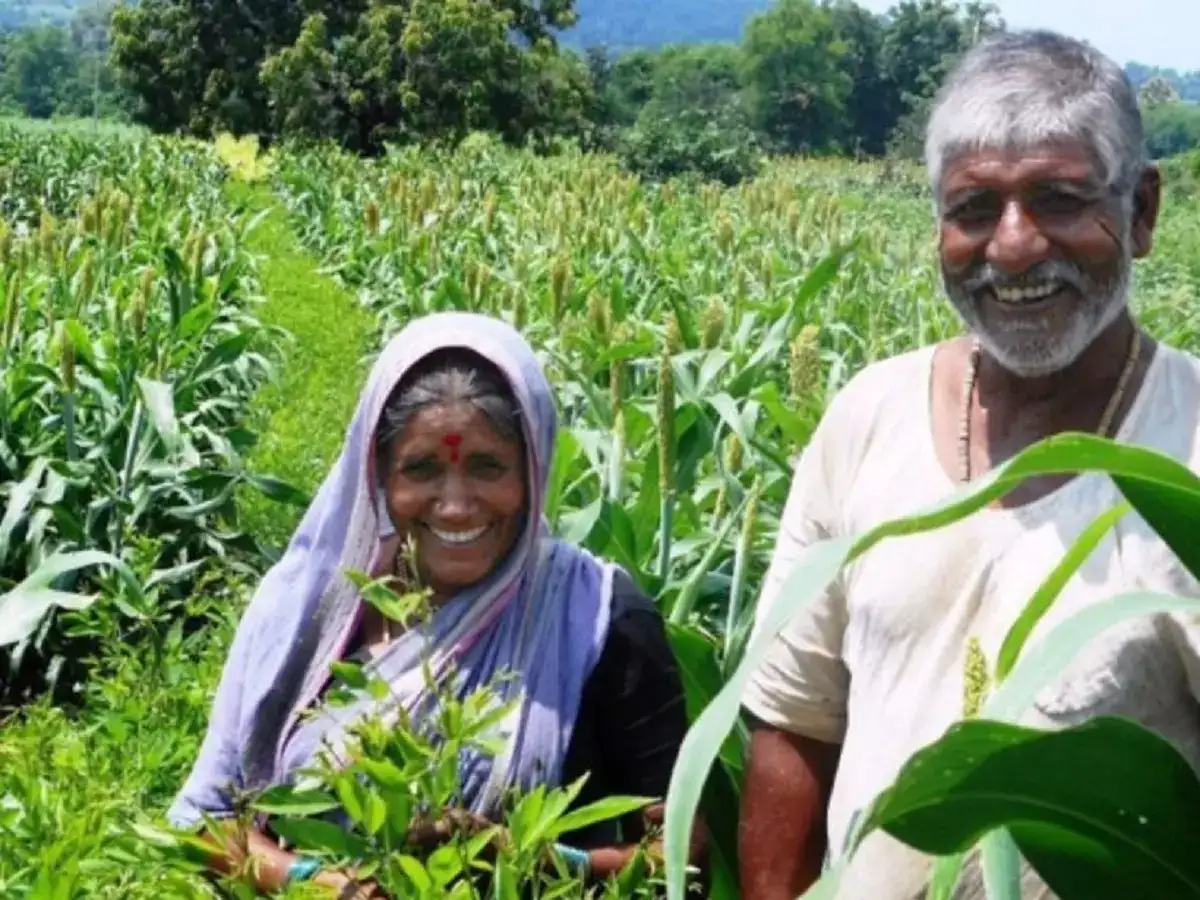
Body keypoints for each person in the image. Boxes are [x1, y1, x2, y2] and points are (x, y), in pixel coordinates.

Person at [738, 30, 1200, 900]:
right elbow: (793, 724)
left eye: (1060, 199)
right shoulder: (867, 417)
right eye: (974, 209)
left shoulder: (1187, 455)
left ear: (1142, 211)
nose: (1015, 247)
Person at [168, 312, 705, 897]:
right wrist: (322, 884)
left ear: (534, 468)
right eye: (421, 469)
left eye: (487, 467)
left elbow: (681, 849)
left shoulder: (599, 617)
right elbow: (205, 822)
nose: (454, 507)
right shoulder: (307, 610)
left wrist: (526, 856)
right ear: (377, 474)